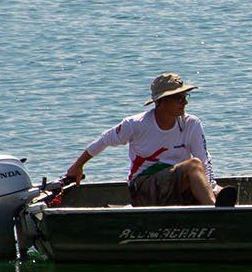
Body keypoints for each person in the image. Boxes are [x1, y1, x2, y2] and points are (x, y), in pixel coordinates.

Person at [63, 73, 219, 207]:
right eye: (178, 98)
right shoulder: (135, 124)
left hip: (174, 185)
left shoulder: (192, 124)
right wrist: (78, 166)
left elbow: (204, 160)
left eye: (185, 97)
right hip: (143, 188)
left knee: (217, 188)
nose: (185, 102)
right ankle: (216, 213)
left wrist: (212, 187)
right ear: (160, 102)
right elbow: (104, 140)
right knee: (193, 166)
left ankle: (214, 204)